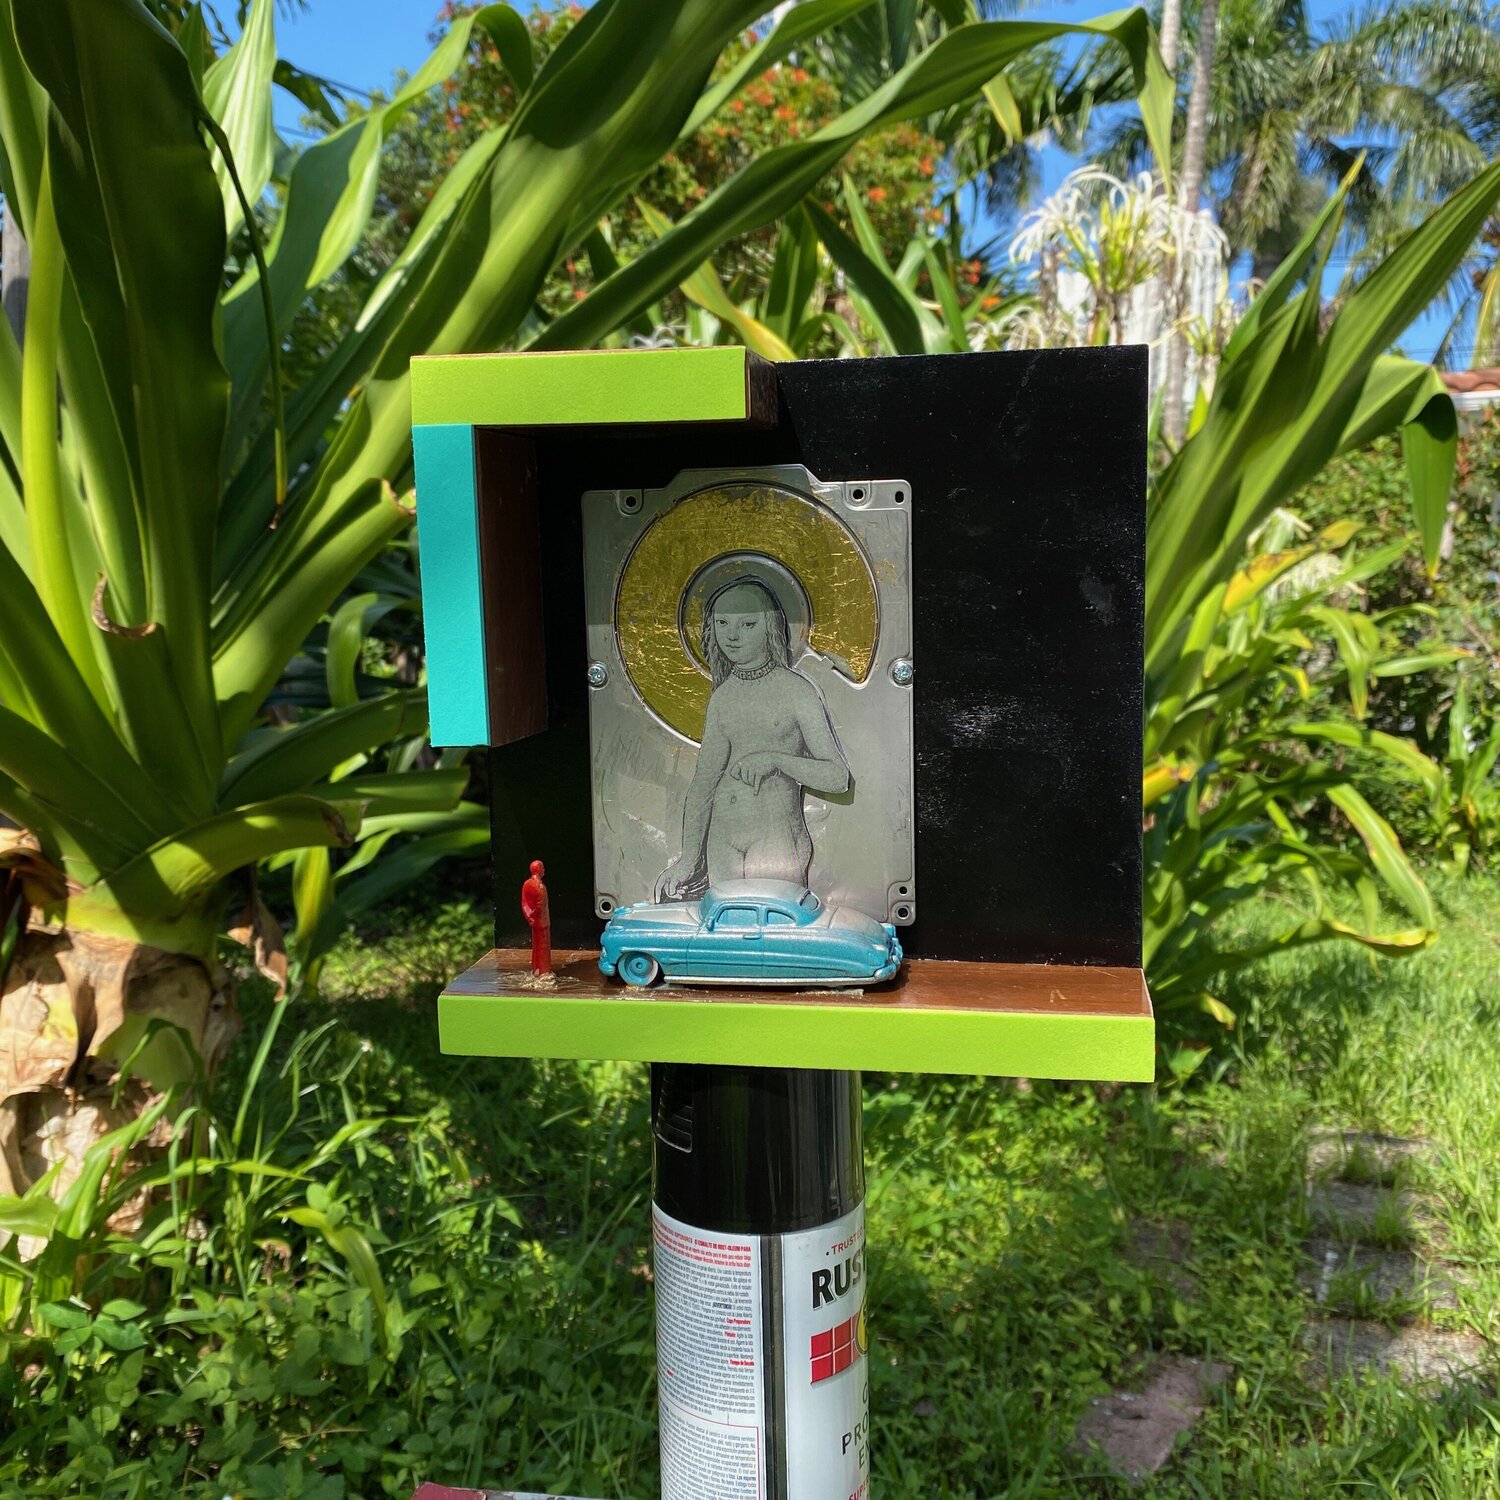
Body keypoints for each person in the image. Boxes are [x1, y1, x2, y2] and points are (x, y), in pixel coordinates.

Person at [658, 576, 849, 900]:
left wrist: (775, 760)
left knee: (775, 920)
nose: (732, 635)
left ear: (770, 627)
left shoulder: (796, 691)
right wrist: (689, 859)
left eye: (747, 624)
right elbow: (704, 783)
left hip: (775, 836)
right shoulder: (723, 697)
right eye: (722, 623)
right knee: (727, 922)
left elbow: (837, 777)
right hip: (722, 837)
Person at [520, 859, 551, 974]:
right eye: (542, 868)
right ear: (539, 870)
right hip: (542, 921)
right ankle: (544, 971)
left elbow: (524, 903)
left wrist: (530, 917)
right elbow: (540, 905)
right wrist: (535, 915)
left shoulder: (527, 883)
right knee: (543, 947)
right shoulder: (540, 886)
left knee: (536, 946)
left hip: (535, 920)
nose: (544, 870)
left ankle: (536, 968)